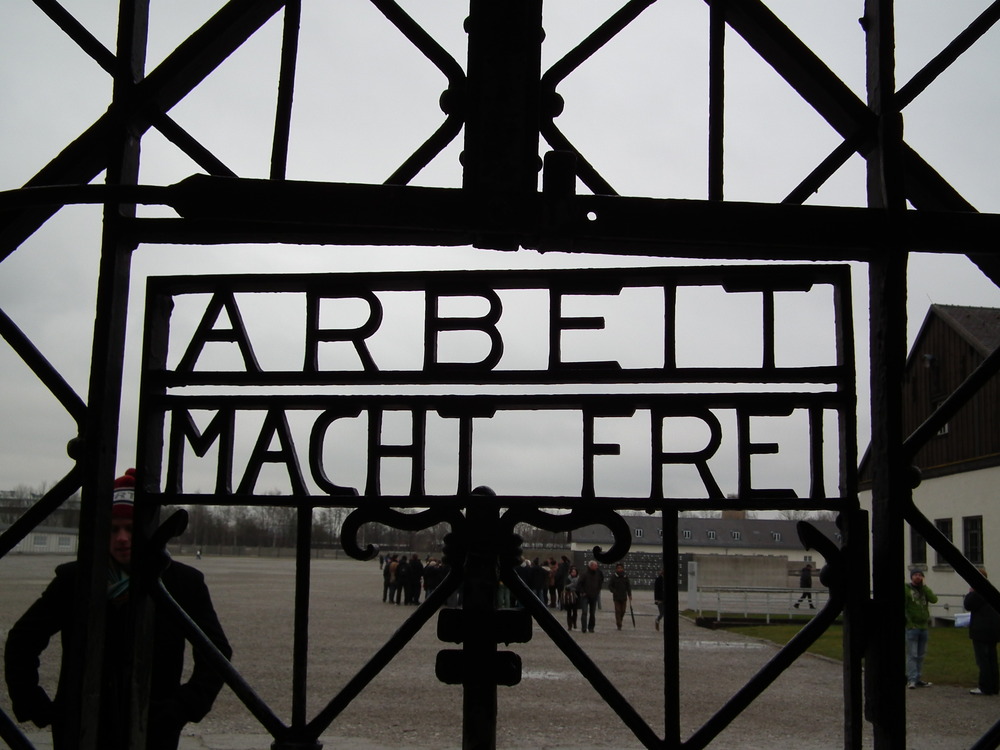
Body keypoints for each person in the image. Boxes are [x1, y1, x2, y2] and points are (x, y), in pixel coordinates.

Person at [4, 469, 232, 750]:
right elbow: (23, 640)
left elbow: (216, 652)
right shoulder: (75, 580)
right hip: (82, 726)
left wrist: (181, 708)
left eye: (131, 528)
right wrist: (33, 703)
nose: (122, 537)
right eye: (113, 529)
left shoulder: (182, 583)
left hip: (152, 727)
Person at [964, 568, 1000, 695]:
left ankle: (985, 686)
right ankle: (994, 686)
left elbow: (968, 605)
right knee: (992, 659)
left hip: (981, 630)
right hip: (993, 630)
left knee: (983, 660)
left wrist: (970, 593)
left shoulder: (978, 591)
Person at [905, 568, 938, 689]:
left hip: (923, 626)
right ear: (911, 577)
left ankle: (918, 678)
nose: (918, 577)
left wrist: (925, 587)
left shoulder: (924, 590)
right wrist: (909, 623)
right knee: (912, 654)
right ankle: (911, 679)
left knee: (921, 655)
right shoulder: (907, 590)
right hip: (912, 627)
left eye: (920, 575)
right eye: (915, 575)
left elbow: (934, 599)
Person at [578, 560, 604, 633]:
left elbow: (600, 582)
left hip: (594, 596)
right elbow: (579, 584)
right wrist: (582, 592)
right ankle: (584, 627)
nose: (596, 567)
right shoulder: (584, 574)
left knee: (592, 613)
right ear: (590, 566)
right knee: (584, 612)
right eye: (595, 565)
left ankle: (591, 627)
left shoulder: (598, 574)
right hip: (585, 596)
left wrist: (597, 590)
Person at [608, 563, 633, 630]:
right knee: (618, 610)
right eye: (618, 568)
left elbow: (628, 586)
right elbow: (610, 586)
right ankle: (619, 624)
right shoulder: (613, 577)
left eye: (621, 568)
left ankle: (620, 620)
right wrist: (614, 591)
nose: (619, 569)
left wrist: (629, 594)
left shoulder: (625, 576)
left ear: (623, 569)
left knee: (623, 611)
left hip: (624, 597)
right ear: (616, 569)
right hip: (616, 597)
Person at [563, 566, 581, 630]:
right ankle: (569, 625)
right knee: (569, 612)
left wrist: (572, 587)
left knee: (575, 611)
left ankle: (574, 622)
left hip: (576, 596)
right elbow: (565, 587)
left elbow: (579, 587)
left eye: (574, 572)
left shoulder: (579, 579)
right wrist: (570, 587)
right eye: (572, 572)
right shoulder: (568, 578)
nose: (573, 573)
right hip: (569, 597)